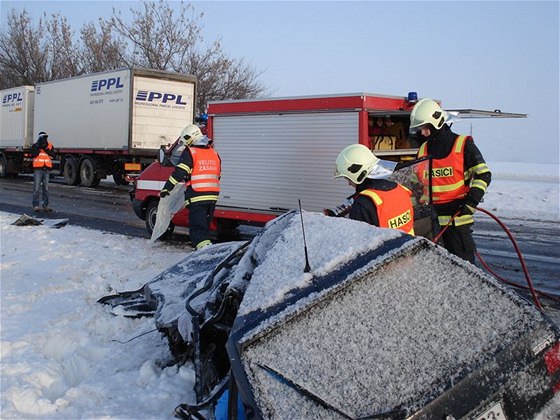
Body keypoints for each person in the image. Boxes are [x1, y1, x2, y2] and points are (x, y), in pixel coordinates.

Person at [409, 98, 492, 263]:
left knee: (464, 268)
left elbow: (484, 174)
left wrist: (471, 202)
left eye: (426, 128)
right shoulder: (423, 149)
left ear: (437, 123)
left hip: (457, 220)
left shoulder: (462, 145)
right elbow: (415, 182)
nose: (423, 133)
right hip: (429, 222)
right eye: (421, 129)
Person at [325, 143, 415, 235]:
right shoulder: (401, 189)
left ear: (357, 174)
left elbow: (357, 241)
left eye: (348, 179)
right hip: (413, 246)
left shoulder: (363, 203)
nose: (349, 183)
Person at [159, 124, 221, 250]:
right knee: (204, 228)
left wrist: (167, 188)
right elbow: (218, 174)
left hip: (197, 196)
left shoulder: (190, 152)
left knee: (197, 231)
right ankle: (206, 250)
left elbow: (179, 173)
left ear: (190, 137)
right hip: (212, 196)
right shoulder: (213, 152)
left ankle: (203, 255)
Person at [31, 131, 55, 212]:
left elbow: (53, 155)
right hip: (38, 168)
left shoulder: (49, 146)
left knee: (46, 188)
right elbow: (33, 154)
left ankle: (46, 205)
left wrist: (46, 149)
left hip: (46, 168)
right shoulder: (35, 145)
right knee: (36, 188)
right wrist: (38, 148)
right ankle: (36, 205)